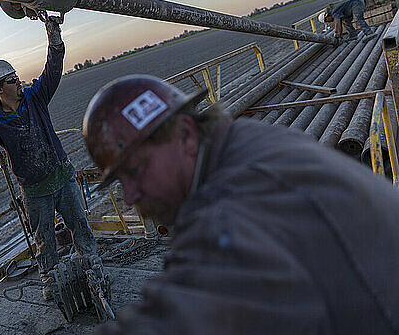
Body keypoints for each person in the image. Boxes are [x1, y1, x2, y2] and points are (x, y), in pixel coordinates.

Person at [83, 75, 399, 334]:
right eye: (121, 180)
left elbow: (182, 318)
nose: (129, 196)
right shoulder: (245, 140)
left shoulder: (229, 205)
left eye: (136, 171)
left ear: (185, 135)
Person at [0, 17, 97, 300]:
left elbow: (52, 71)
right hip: (36, 193)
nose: (19, 81)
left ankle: (93, 270)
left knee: (81, 228)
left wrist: (55, 40)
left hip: (63, 180)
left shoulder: (36, 98)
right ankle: (51, 287)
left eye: (17, 77)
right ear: (0, 88)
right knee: (45, 244)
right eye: (13, 80)